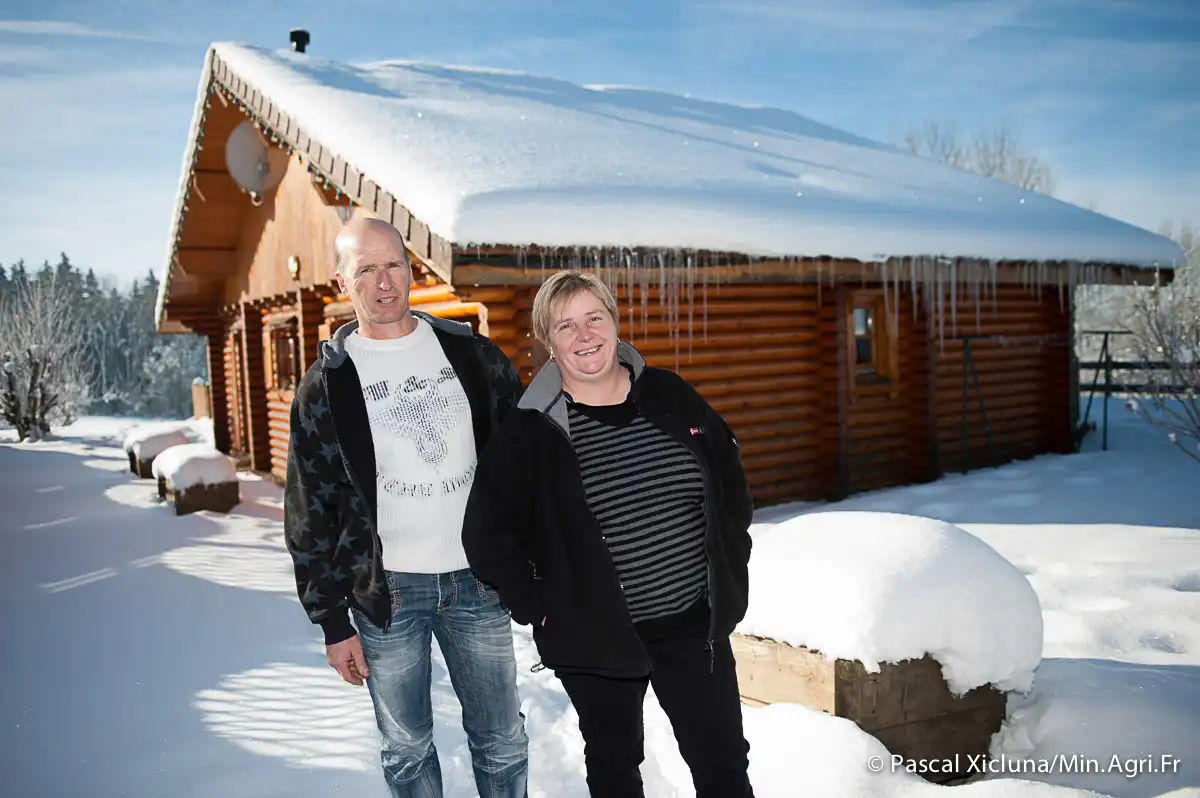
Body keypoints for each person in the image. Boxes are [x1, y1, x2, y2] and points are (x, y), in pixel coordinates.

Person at [462, 270, 756, 798]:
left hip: (692, 624)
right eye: (565, 326)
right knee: (616, 772)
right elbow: (486, 534)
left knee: (723, 766)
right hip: (593, 637)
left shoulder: (669, 395)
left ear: (616, 326)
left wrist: (732, 558)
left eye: (594, 318)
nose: (584, 336)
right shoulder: (531, 430)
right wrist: (540, 605)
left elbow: (726, 475)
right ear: (549, 345)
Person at [283, 217, 530, 798]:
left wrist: (529, 563)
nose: (382, 281)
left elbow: (524, 462)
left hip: (478, 581)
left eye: (392, 264)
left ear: (411, 268)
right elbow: (309, 511)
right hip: (386, 594)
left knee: (501, 740)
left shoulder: (471, 357)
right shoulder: (326, 387)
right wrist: (331, 622)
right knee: (407, 750)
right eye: (365, 268)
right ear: (343, 281)